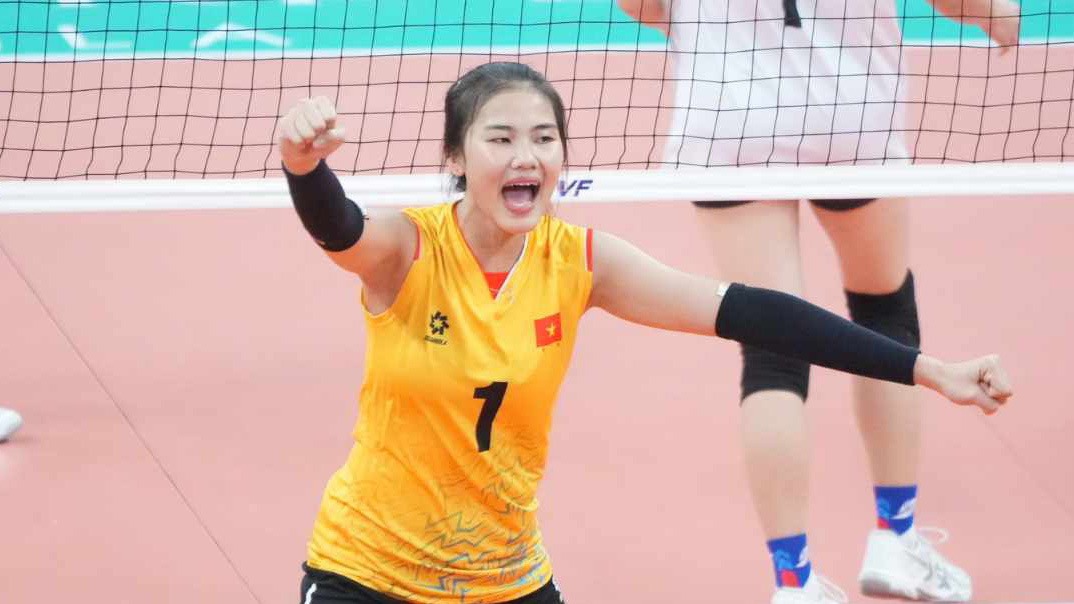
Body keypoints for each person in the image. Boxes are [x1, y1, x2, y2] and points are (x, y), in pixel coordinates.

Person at [277, 61, 1011, 604]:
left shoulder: (580, 262)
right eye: (500, 138)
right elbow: (338, 227)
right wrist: (303, 166)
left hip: (505, 581)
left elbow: (756, 311)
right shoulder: (408, 248)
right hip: (366, 575)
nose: (526, 155)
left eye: (544, 138)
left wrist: (927, 369)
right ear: (457, 159)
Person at [618, 0, 1021, 602]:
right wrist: (995, 13)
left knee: (772, 350)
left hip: (731, 113)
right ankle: (896, 538)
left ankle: (794, 580)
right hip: (848, 111)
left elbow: (641, 5)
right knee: (885, 313)